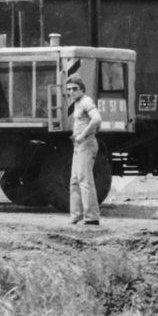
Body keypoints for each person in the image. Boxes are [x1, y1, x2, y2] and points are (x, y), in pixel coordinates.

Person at [64, 76, 101, 224]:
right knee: (74, 181)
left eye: (75, 89)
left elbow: (97, 119)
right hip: (79, 145)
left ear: (82, 89)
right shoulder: (78, 103)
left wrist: (83, 134)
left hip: (86, 143)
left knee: (85, 181)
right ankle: (76, 216)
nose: (71, 92)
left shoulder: (86, 101)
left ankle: (92, 218)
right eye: (69, 89)